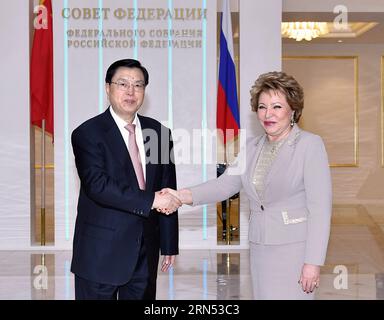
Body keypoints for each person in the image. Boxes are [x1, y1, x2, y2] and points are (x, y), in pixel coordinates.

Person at [162, 71, 332, 299]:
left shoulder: (310, 145)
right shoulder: (252, 147)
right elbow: (224, 185)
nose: (268, 114)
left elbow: (320, 210)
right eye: (262, 107)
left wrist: (312, 262)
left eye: (277, 107)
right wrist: (179, 195)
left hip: (294, 250)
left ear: (293, 110)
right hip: (260, 246)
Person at [71, 59, 181, 300]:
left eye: (138, 85)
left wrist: (169, 242)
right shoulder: (88, 133)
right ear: (108, 88)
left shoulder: (158, 133)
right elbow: (98, 186)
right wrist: (152, 200)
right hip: (100, 253)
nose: (131, 91)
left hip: (145, 252)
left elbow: (166, 186)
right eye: (123, 84)